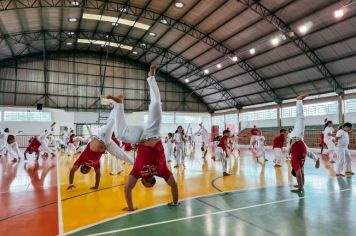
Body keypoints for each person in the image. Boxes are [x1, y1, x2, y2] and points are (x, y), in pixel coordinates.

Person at [107, 64, 178, 211]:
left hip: (140, 137)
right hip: (153, 132)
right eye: (148, 183)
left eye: (144, 183)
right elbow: (174, 185)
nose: (145, 182)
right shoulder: (162, 171)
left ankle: (119, 104)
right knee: (156, 104)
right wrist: (175, 202)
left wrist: (131, 207)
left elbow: (127, 188)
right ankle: (151, 76)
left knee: (120, 134)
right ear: (151, 180)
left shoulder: (138, 172)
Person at [67, 108, 134, 190]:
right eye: (86, 172)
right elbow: (98, 174)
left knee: (112, 122)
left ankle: (116, 106)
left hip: (101, 137)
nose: (86, 170)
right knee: (123, 156)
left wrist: (70, 183)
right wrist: (96, 186)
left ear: (82, 167)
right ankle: (139, 164)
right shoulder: (95, 165)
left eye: (83, 170)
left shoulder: (81, 160)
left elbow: (72, 171)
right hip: (108, 145)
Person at [289, 95, 320, 193]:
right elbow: (299, 173)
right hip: (297, 139)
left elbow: (300, 172)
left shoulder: (298, 163)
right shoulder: (295, 163)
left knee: (301, 118)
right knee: (300, 118)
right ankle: (299, 101)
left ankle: (298, 100)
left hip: (296, 140)